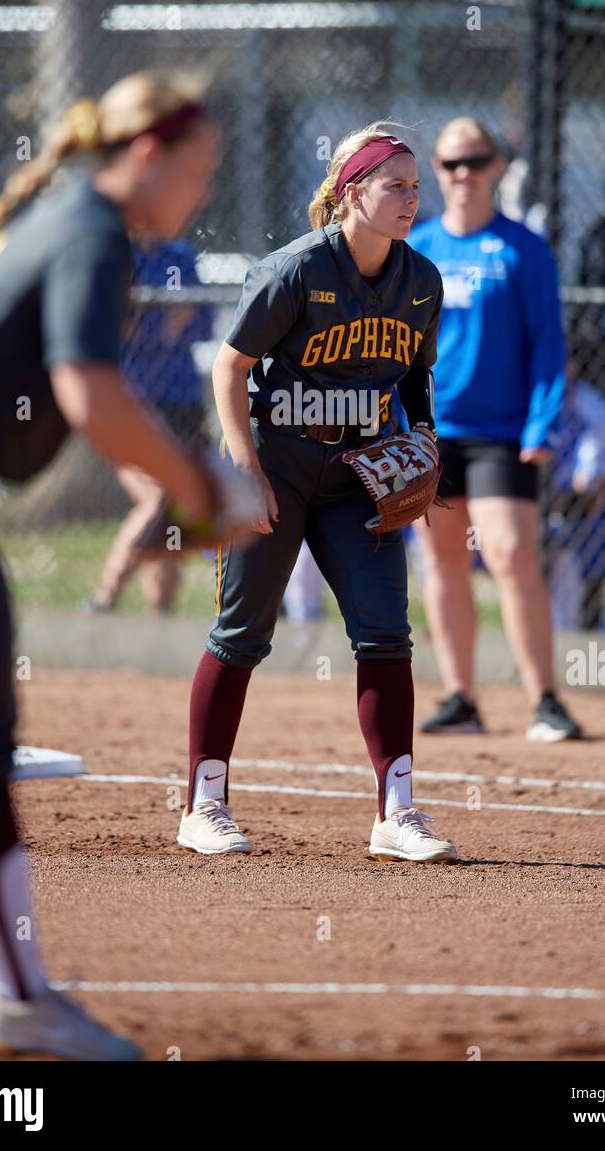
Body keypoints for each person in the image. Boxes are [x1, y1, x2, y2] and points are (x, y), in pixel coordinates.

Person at [0, 70, 255, 1060]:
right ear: (146, 155)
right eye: (197, 168)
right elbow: (90, 392)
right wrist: (197, 489)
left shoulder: (74, 222)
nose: (200, 191)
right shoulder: (92, 231)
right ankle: (16, 998)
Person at [178, 124, 459, 863]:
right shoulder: (296, 270)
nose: (410, 199)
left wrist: (425, 442)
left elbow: (414, 376)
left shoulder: (421, 281)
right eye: (395, 185)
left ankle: (396, 813)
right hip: (277, 467)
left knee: (384, 635)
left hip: (358, 478)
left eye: (415, 187)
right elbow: (228, 368)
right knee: (241, 635)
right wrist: (244, 468)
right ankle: (204, 804)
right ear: (351, 191)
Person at [412, 117, 580, 742]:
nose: (464, 174)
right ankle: (461, 697)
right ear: (436, 168)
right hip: (432, 431)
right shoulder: (419, 247)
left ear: (497, 168)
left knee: (509, 552)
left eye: (476, 161)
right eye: (452, 162)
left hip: (503, 431)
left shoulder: (523, 249)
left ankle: (545, 699)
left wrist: (544, 423)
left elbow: (548, 345)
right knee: (441, 559)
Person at [86, 232, 213, 615]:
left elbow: (202, 324)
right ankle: (104, 598)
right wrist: (162, 325)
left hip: (183, 399)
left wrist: (153, 323)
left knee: (175, 506)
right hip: (132, 399)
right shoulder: (117, 252)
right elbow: (116, 330)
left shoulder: (180, 255)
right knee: (158, 495)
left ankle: (161, 615)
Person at [549, 334, 605, 631]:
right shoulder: (531, 401)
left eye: (564, 362)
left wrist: (577, 505)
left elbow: (601, 476)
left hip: (581, 504)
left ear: (574, 366)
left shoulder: (591, 405)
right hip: (541, 497)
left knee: (580, 553)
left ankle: (585, 626)